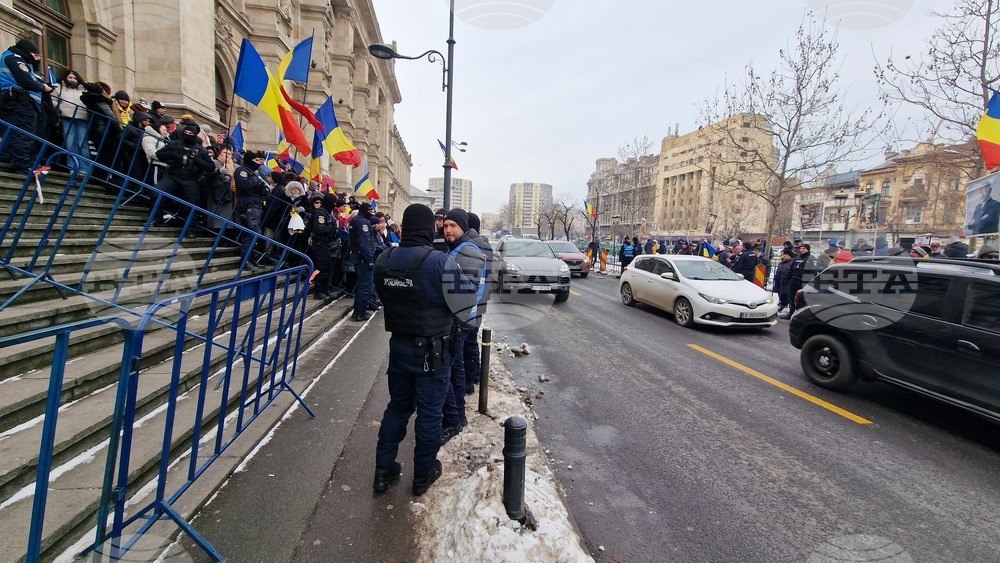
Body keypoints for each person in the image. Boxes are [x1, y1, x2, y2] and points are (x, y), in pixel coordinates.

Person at [371, 203, 476, 496]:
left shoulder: (385, 258)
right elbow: (466, 305)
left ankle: (383, 471)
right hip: (434, 352)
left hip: (399, 348)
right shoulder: (439, 262)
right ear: (430, 229)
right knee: (430, 414)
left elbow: (382, 295)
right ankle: (422, 475)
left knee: (398, 408)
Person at [439, 208, 488, 444]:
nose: (447, 230)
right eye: (445, 226)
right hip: (464, 316)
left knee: (454, 366)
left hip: (462, 318)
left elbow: (464, 291)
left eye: (452, 226)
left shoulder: (467, 251)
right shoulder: (460, 248)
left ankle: (457, 416)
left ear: (462, 228)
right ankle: (458, 414)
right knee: (456, 364)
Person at [0, 38, 51, 173]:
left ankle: (9, 158)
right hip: (20, 101)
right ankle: (21, 164)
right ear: (28, 52)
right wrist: (43, 87)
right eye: (36, 56)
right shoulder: (14, 58)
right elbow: (25, 81)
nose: (38, 59)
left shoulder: (19, 60)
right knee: (24, 133)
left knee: (15, 132)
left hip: (18, 101)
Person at [154, 121, 215, 227]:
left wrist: (197, 160)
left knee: (191, 204)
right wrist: (172, 154)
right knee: (156, 192)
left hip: (190, 179)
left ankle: (189, 228)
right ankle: (157, 218)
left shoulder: (200, 150)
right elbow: (159, 154)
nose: (188, 135)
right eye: (186, 132)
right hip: (173, 176)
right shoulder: (174, 144)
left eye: (191, 133)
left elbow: (210, 167)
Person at [232, 150, 269, 264]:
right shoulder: (242, 171)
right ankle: (245, 260)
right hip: (247, 205)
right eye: (256, 160)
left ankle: (251, 259)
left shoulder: (253, 173)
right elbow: (244, 185)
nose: (258, 163)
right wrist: (255, 179)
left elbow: (264, 191)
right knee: (250, 233)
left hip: (256, 205)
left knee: (255, 234)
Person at [51, 69, 90, 165]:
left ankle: (85, 167)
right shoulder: (59, 87)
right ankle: (72, 166)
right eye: (70, 77)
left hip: (82, 117)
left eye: (75, 78)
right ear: (65, 77)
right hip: (66, 117)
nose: (73, 80)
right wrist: (60, 108)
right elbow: (53, 100)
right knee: (70, 142)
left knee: (82, 143)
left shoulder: (84, 88)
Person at [307, 192, 338, 300]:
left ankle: (325, 289)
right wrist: (331, 227)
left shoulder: (326, 213)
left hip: (325, 244)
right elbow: (319, 229)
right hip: (319, 243)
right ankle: (319, 291)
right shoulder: (320, 213)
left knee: (327, 268)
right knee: (321, 268)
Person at [350, 202, 377, 321]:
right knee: (364, 287)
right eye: (371, 212)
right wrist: (369, 259)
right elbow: (364, 243)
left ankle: (357, 311)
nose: (373, 214)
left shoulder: (357, 220)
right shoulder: (363, 222)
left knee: (361, 285)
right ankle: (360, 312)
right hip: (363, 259)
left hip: (358, 257)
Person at [780, 243, 818, 319]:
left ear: (808, 249)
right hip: (794, 279)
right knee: (792, 298)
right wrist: (788, 277)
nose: (801, 249)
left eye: (804, 248)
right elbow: (791, 268)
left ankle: (801, 316)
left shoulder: (811, 258)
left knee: (802, 299)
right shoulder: (797, 257)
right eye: (801, 248)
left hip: (804, 281)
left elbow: (813, 271)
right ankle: (791, 314)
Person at [773, 247, 794, 315]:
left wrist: (786, 278)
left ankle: (784, 304)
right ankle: (781, 303)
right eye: (784, 254)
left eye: (786, 255)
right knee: (780, 292)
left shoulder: (791, 263)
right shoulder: (782, 263)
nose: (784, 256)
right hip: (779, 280)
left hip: (786, 281)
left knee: (785, 293)